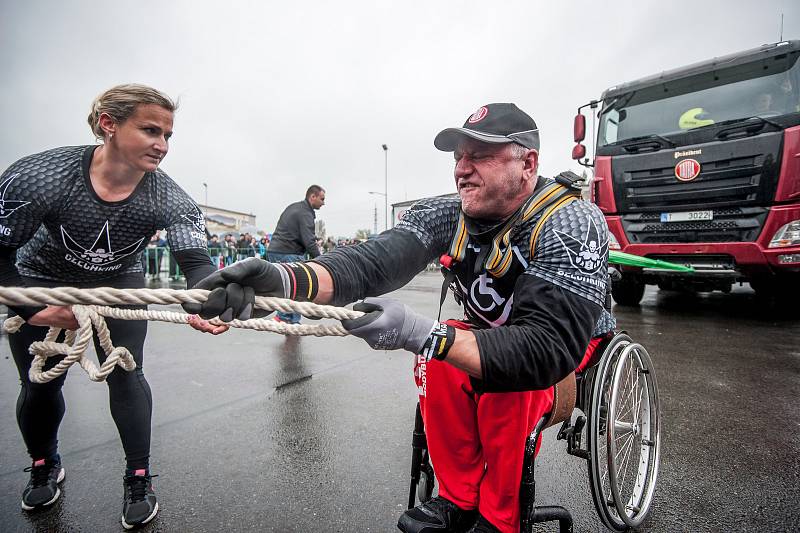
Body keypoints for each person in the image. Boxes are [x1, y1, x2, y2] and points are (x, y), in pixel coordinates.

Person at [186, 103, 614, 533]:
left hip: (569, 342)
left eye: (479, 156)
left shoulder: (571, 219)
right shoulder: (449, 213)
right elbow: (373, 262)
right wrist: (281, 281)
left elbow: (545, 348)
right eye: (457, 158)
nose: (461, 170)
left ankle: (501, 519)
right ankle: (458, 498)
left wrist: (421, 331)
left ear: (528, 162)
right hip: (494, 331)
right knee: (435, 359)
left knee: (499, 378)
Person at [0, 83, 227, 529]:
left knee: (126, 375)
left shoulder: (168, 196)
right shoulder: (41, 176)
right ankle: (44, 462)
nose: (161, 145)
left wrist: (207, 303)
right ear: (108, 124)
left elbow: (197, 264)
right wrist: (32, 310)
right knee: (41, 384)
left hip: (118, 284)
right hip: (38, 282)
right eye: (149, 130)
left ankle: (138, 477)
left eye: (167, 135)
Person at [266, 185, 326, 323]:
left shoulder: (296, 207)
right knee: (295, 286)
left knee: (288, 286)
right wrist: (322, 261)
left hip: (278, 250)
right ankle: (284, 317)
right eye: (322, 199)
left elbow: (302, 235)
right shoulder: (305, 213)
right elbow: (309, 241)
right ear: (313, 196)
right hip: (288, 252)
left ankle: (291, 319)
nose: (324, 203)